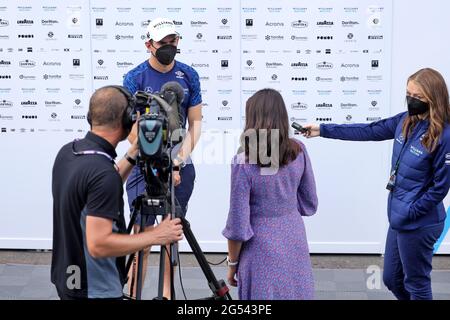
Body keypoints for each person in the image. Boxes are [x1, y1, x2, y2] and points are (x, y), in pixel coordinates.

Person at [303, 68, 450, 300]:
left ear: (434, 98)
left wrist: (411, 211)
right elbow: (368, 130)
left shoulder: (445, 135)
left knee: (417, 284)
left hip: (420, 222)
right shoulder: (405, 121)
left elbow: (440, 188)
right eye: (408, 94)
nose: (411, 100)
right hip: (399, 216)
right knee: (392, 279)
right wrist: (322, 130)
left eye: (418, 97)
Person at [51, 86, 183, 300]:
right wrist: (157, 235)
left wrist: (133, 154)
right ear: (128, 120)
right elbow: (98, 244)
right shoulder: (103, 174)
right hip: (95, 289)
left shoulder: (70, 152)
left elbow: (95, 188)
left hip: (68, 277)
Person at [122, 17, 202, 298]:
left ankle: (168, 296)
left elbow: (196, 124)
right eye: (162, 42)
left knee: (170, 238)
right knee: (141, 238)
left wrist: (177, 161)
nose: (169, 46)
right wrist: (151, 158)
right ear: (149, 45)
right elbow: (130, 129)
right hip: (143, 166)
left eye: (173, 41)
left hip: (181, 163)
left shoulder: (189, 75)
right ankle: (133, 294)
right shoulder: (134, 78)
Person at [222, 88, 318, 300]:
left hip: (259, 249)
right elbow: (310, 202)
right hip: (294, 240)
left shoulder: (243, 162)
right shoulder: (299, 150)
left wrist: (232, 263)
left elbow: (238, 224)